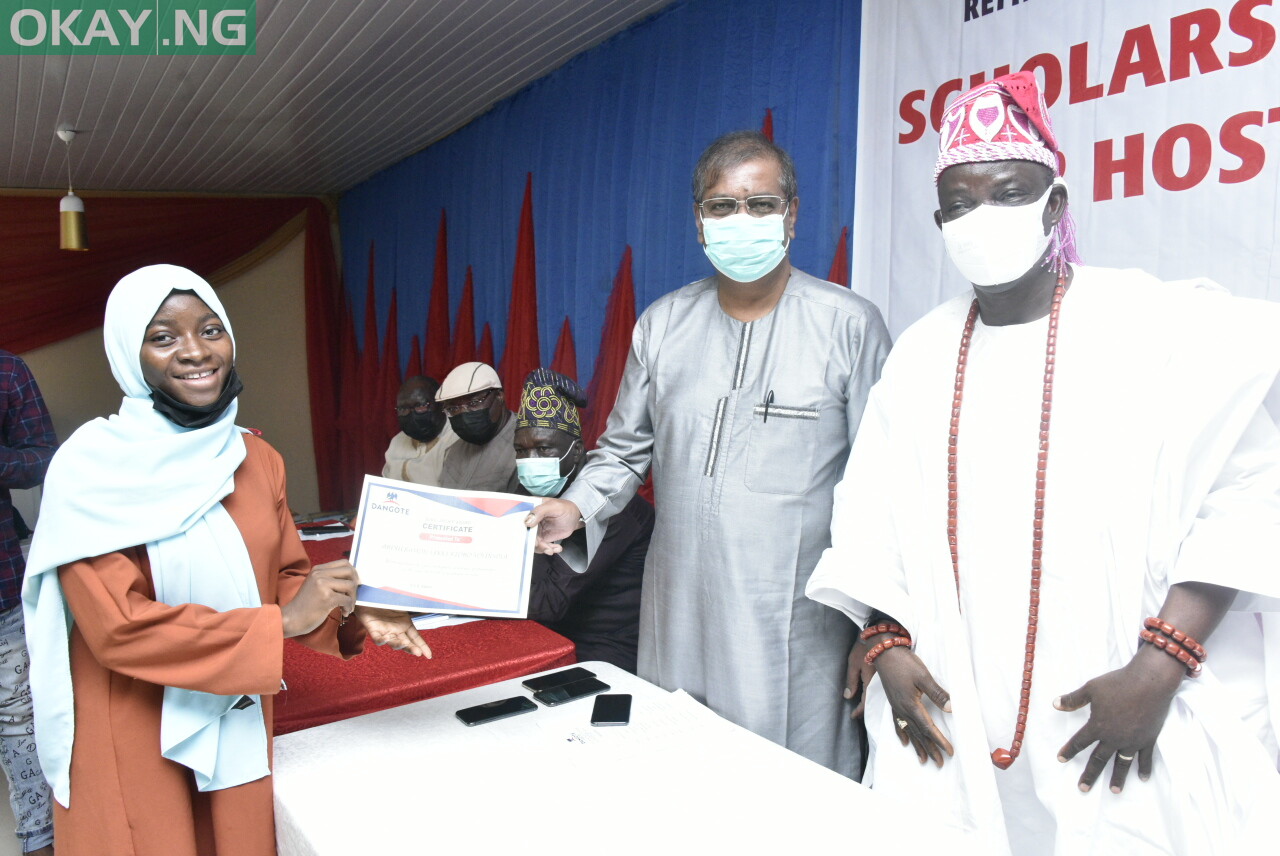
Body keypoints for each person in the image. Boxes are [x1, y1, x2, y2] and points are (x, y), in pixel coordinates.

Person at [806, 72, 1280, 853]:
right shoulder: (923, 352)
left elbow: (1249, 492)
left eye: (1008, 192)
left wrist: (1162, 669)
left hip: (1124, 705)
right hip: (954, 716)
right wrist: (886, 642)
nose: (980, 218)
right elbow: (872, 515)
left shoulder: (1149, 324)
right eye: (959, 204)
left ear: (1054, 205)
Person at [22, 265, 429, 856]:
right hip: (134, 722)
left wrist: (350, 611)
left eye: (211, 330)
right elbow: (117, 628)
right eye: (163, 337)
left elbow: (289, 576)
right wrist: (282, 623)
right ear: (125, 353)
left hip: (236, 707)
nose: (195, 352)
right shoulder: (88, 470)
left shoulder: (256, 458)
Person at [527, 130, 892, 776]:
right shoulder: (662, 326)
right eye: (722, 207)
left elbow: (882, 491)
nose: (740, 220)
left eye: (760, 205)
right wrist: (575, 509)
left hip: (794, 633)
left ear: (793, 214)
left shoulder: (848, 325)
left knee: (795, 803)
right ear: (698, 222)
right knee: (683, 791)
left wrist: (881, 625)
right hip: (680, 618)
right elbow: (621, 450)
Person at [515, 368, 652, 672]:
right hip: (550, 634)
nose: (530, 462)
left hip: (608, 647)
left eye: (543, 448)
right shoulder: (528, 491)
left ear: (577, 451)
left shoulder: (613, 507)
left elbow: (547, 602)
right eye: (521, 451)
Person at [0, 350, 55, 856]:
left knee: (21, 721)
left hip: (0, 585)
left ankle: (40, 844)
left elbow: (43, 456)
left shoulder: (7, 370)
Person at [435, 361, 519, 493]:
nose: (463, 413)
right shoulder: (454, 451)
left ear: (499, 395)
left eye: (474, 403)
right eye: (453, 408)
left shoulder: (528, 443)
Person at [382, 375, 458, 485]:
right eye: (403, 409)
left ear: (441, 403)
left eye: (421, 406)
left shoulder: (457, 439)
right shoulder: (397, 442)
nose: (411, 414)